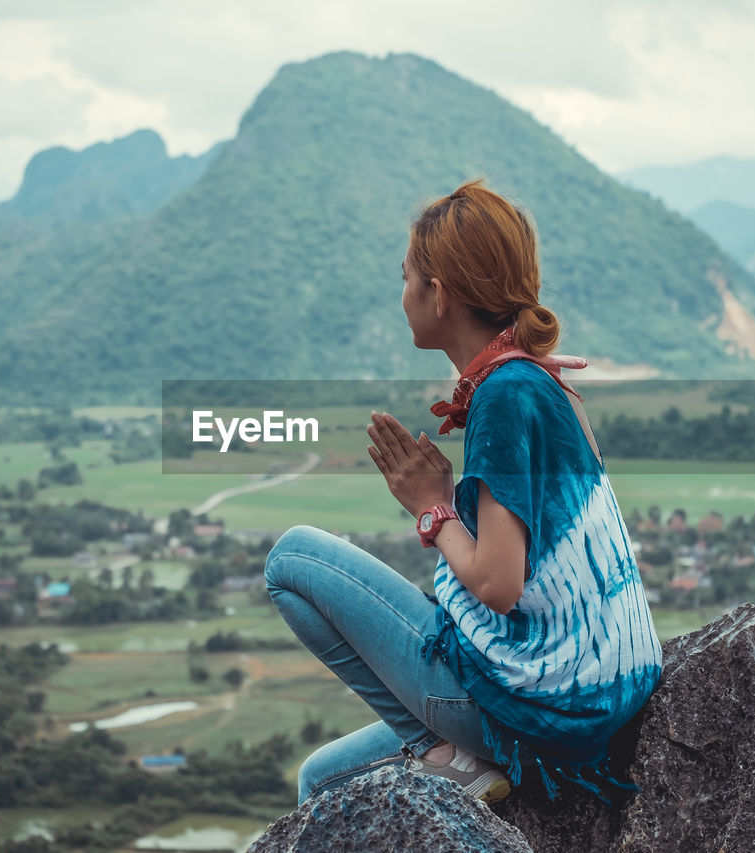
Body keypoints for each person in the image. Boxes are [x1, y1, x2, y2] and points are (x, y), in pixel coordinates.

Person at [264, 179, 663, 807]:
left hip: (542, 707)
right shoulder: (535, 383)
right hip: (598, 693)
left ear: (439, 293)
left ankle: (445, 757)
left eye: (406, 279)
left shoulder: (507, 395)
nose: (402, 297)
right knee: (321, 779)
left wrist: (431, 508)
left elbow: (499, 585)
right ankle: (449, 756)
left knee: (290, 560)